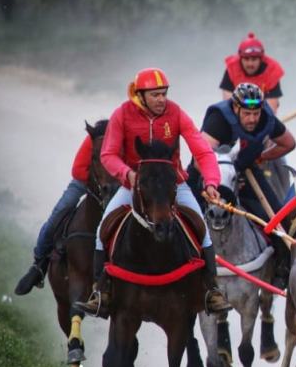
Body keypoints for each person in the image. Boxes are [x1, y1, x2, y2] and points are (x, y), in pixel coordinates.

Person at [78, 68, 231, 317]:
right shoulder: (121, 115)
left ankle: (211, 291)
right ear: (140, 95)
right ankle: (100, 291)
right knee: (101, 230)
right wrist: (128, 175)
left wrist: (211, 182)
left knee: (202, 229)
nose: (162, 100)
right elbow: (108, 155)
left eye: (164, 94)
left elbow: (202, 151)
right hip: (134, 186)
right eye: (156, 95)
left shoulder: (176, 113)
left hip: (174, 185)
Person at [14, 125, 105, 295]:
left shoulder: (122, 139)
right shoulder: (97, 136)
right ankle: (39, 265)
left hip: (110, 185)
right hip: (85, 182)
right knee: (60, 211)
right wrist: (97, 184)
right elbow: (78, 170)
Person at [190, 82, 296, 221]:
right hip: (210, 175)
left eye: (256, 113)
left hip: (246, 171)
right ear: (235, 108)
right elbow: (199, 159)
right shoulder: (218, 120)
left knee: (279, 218)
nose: (252, 119)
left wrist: (261, 157)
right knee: (191, 215)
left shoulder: (266, 118)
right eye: (247, 113)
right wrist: (219, 179)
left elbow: (288, 143)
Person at [220, 32, 286, 114]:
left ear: (261, 59)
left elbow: (271, 109)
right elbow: (228, 104)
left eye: (254, 59)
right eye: (246, 59)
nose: (250, 64)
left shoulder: (272, 71)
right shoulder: (232, 69)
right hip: (237, 116)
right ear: (240, 58)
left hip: (262, 116)